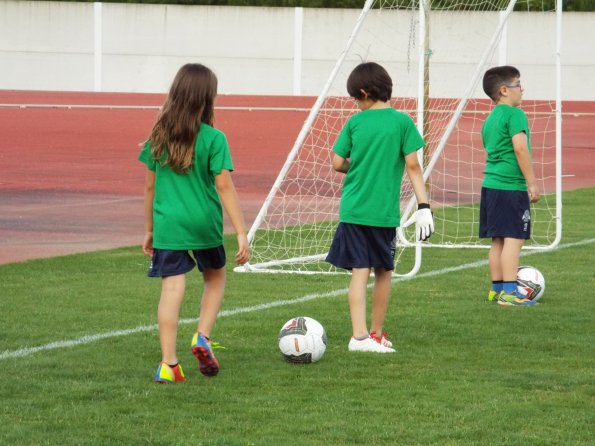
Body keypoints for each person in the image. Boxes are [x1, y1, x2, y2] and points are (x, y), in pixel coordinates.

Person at [139, 63, 250, 383]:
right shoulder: (215, 138)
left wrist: (149, 229)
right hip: (204, 222)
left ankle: (169, 365)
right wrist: (241, 232)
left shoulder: (157, 136)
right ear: (207, 99)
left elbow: (150, 186)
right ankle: (202, 335)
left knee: (172, 288)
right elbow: (224, 185)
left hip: (169, 224)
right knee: (215, 277)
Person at [326, 62, 434, 353]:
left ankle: (359, 336)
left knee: (359, 271)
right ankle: (371, 335)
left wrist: (355, 164)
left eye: (354, 98)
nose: (355, 104)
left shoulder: (355, 123)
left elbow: (337, 162)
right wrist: (424, 205)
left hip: (354, 209)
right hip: (384, 212)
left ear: (363, 92)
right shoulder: (402, 122)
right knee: (384, 271)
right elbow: (413, 165)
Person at [480, 65, 540, 307]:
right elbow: (519, 147)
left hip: (491, 185)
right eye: (518, 84)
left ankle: (496, 290)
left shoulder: (490, 118)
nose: (521, 89)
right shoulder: (516, 114)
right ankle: (509, 293)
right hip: (510, 186)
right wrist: (532, 182)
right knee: (514, 239)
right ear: (504, 90)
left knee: (498, 241)